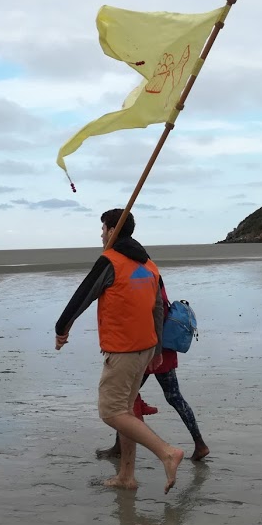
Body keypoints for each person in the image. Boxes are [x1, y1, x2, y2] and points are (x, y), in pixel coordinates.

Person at [55, 208, 184, 493]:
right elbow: (158, 306)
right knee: (127, 411)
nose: (101, 234)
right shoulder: (149, 264)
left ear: (114, 230)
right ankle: (126, 476)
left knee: (111, 412)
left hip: (125, 350)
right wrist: (159, 347)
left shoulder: (110, 261)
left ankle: (167, 453)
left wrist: (61, 328)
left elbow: (82, 296)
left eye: (104, 228)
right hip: (147, 348)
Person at [97, 281, 209, 462]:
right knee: (170, 397)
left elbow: (154, 313)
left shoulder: (147, 278)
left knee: (125, 399)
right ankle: (199, 443)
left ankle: (200, 444)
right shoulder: (150, 276)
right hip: (157, 348)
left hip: (153, 349)